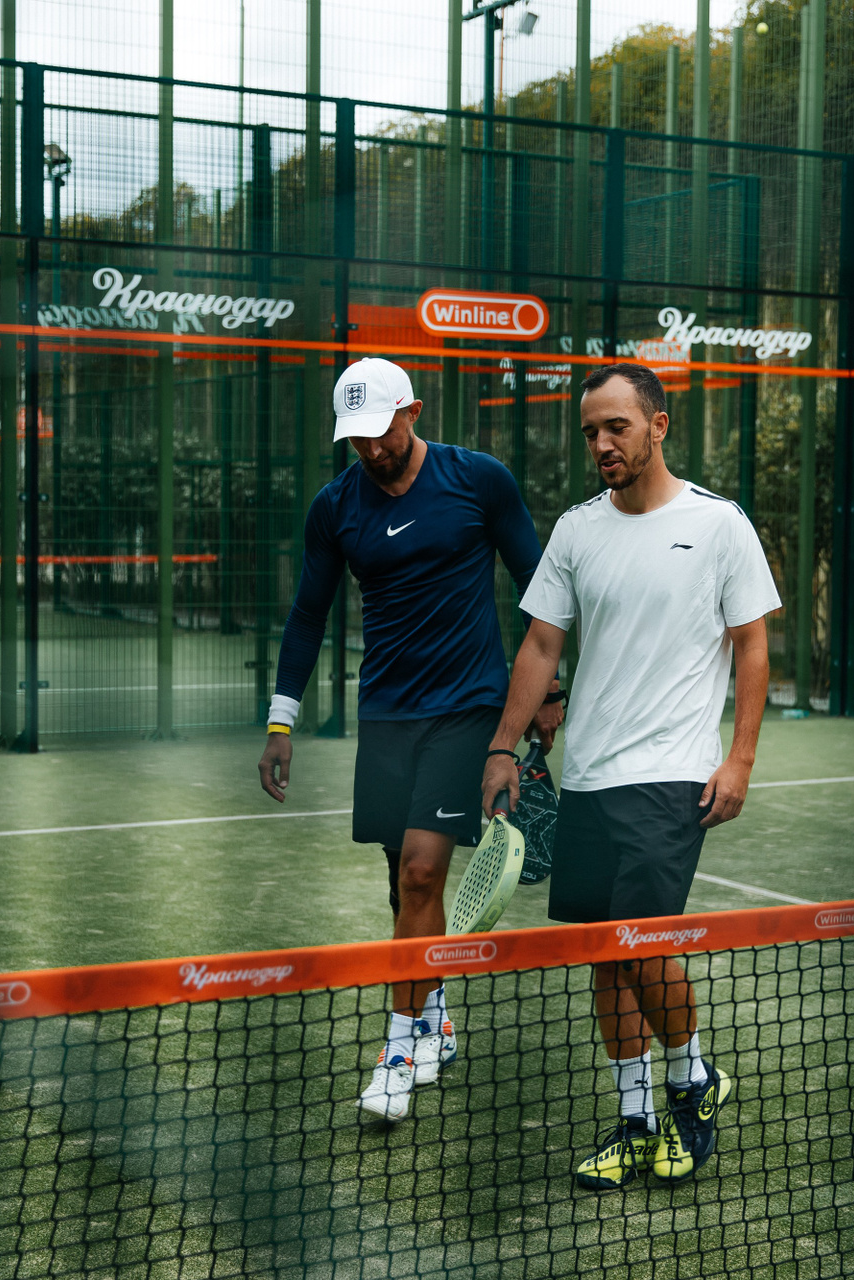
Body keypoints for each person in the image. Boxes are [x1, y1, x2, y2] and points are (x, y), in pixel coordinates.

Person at [481, 362, 777, 1189]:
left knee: (641, 944)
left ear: (658, 425)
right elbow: (542, 644)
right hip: (588, 777)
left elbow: (752, 644)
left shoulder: (719, 524)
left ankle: (691, 1080)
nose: (603, 444)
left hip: (672, 775)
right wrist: (502, 748)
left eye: (617, 426)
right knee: (605, 958)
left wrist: (740, 758)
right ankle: (636, 1119)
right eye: (591, 432)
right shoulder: (577, 530)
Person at [257, 356, 563, 1122]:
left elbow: (539, 586)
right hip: (387, 715)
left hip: (467, 709)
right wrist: (281, 720)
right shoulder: (336, 508)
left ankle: (396, 1053)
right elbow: (308, 614)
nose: (371, 449)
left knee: (424, 872)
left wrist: (548, 692)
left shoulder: (478, 481)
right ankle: (434, 1016)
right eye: (355, 438)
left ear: (413, 411)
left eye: (381, 431)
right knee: (403, 884)